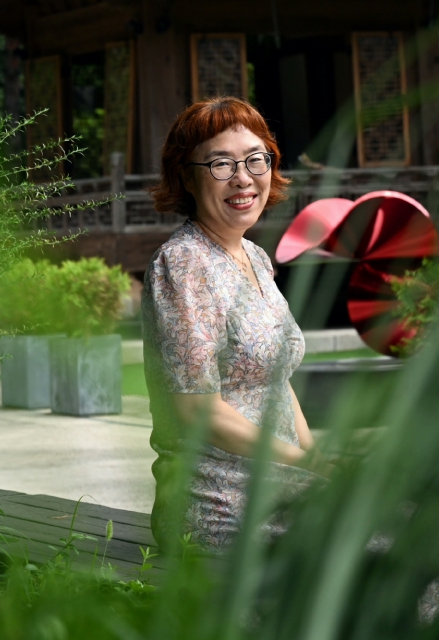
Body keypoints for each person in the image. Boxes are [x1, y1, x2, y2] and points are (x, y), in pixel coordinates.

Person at [142, 96, 331, 554]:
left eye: (255, 159)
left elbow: (276, 382)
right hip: (218, 500)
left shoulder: (256, 258)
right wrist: (303, 463)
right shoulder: (183, 263)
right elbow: (197, 411)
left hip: (282, 482)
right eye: (221, 164)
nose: (243, 177)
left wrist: (315, 458)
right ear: (186, 176)